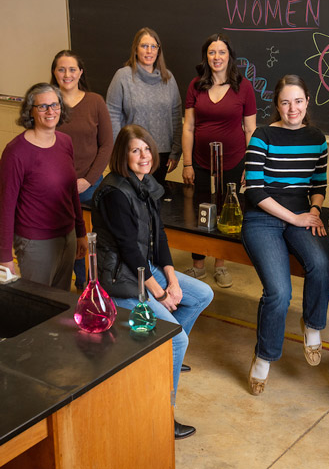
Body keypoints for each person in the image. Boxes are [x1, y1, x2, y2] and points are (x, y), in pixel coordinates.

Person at [91, 124, 213, 440]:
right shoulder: (116, 191)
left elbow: (158, 237)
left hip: (145, 269)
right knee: (177, 340)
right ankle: (162, 414)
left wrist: (172, 280)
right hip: (121, 278)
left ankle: (157, 358)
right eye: (135, 150)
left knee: (200, 294)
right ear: (123, 155)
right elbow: (129, 248)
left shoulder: (146, 185)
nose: (144, 155)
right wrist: (159, 292)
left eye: (147, 148)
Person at [242, 74, 329, 396]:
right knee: (279, 292)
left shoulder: (317, 138)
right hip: (263, 216)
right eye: (285, 102)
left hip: (300, 213)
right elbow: (253, 189)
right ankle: (264, 358)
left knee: (322, 265)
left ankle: (313, 326)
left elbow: (319, 185)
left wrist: (314, 211)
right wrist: (293, 217)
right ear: (277, 105)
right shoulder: (262, 135)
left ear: (307, 102)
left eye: (298, 101)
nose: (292, 108)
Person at [182, 32, 256, 288]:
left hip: (234, 162)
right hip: (201, 161)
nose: (217, 57)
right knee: (200, 210)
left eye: (222, 52)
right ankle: (198, 265)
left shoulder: (243, 87)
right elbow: (189, 127)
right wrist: (187, 163)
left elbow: (251, 130)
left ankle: (221, 265)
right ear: (206, 56)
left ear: (229, 56)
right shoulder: (195, 85)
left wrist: (250, 164)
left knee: (228, 211)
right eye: (212, 52)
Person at [0, 83, 87, 290]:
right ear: (31, 111)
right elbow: (6, 206)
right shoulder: (15, 152)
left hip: (67, 237)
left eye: (55, 105)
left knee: (61, 304)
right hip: (35, 244)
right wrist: (4, 257)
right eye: (43, 107)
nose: (50, 111)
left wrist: (80, 232)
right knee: (37, 309)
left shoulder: (65, 142)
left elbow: (71, 192)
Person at [51, 50, 113, 289]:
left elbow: (106, 144)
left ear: (81, 73)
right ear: (55, 72)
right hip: (55, 186)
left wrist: (88, 179)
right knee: (62, 240)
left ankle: (87, 286)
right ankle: (60, 289)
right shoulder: (48, 102)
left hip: (90, 186)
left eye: (72, 69)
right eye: (61, 69)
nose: (67, 74)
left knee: (89, 238)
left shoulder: (95, 101)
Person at [106, 27, 182, 183]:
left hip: (162, 154)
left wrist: (176, 152)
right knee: (133, 200)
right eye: (144, 46)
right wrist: (118, 151)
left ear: (158, 50)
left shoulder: (168, 78)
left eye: (153, 46)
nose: (149, 51)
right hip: (132, 153)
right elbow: (112, 115)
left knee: (155, 199)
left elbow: (176, 116)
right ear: (135, 49)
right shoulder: (123, 76)